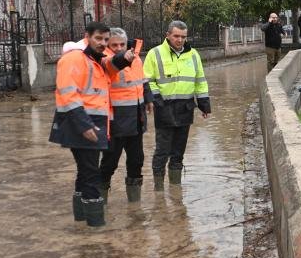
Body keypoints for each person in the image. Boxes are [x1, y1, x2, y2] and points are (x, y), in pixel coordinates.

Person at [49, 22, 133, 227]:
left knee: (85, 170)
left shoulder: (95, 59)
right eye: (98, 38)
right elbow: (68, 94)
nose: (103, 43)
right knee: (91, 173)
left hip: (90, 122)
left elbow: (110, 67)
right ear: (87, 37)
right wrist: (84, 125)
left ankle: (82, 221)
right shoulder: (73, 59)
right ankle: (96, 226)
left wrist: (124, 58)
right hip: (81, 123)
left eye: (106, 40)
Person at [144, 20, 211, 190]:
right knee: (162, 151)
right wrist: (156, 99)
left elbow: (200, 81)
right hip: (164, 107)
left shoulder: (193, 55)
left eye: (183, 36)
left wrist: (204, 104)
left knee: (178, 152)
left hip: (185, 108)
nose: (180, 40)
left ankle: (175, 190)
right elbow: (147, 80)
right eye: (176, 36)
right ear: (167, 35)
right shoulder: (155, 53)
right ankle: (159, 190)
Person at [98, 28, 152, 203]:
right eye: (114, 45)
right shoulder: (103, 59)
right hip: (115, 122)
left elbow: (142, 80)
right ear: (108, 45)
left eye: (122, 44)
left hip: (136, 118)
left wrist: (148, 99)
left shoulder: (135, 58)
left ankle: (135, 206)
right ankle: (99, 202)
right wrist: (123, 57)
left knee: (137, 161)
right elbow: (113, 63)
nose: (119, 48)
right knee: (110, 162)